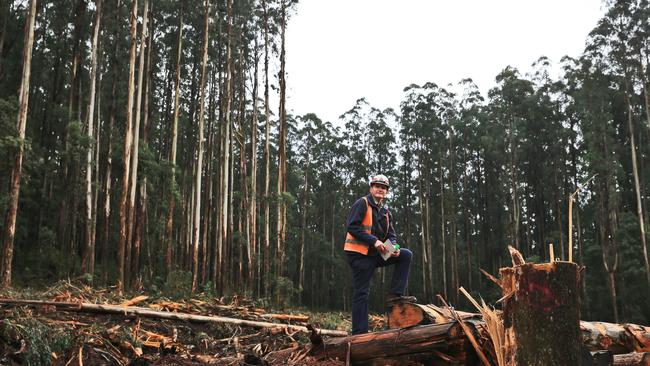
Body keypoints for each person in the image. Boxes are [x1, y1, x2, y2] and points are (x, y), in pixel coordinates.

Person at [344, 174, 415, 335]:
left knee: (405, 255)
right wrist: (374, 241)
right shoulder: (362, 203)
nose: (380, 189)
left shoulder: (385, 212)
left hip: (374, 253)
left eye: (383, 187)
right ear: (371, 188)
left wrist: (394, 247)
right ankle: (359, 333)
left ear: (386, 191)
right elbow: (352, 227)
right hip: (359, 254)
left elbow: (392, 236)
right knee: (362, 292)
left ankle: (395, 295)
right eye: (377, 186)